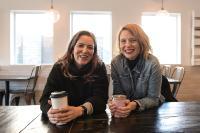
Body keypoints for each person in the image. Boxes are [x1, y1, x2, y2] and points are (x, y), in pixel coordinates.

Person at [40, 30, 109, 124]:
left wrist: (80, 110)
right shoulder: (58, 67)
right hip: (62, 121)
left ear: (94, 52)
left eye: (90, 47)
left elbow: (101, 99)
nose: (85, 51)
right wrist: (50, 112)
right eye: (80, 45)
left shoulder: (99, 67)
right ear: (72, 48)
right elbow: (44, 99)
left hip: (91, 121)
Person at [108, 24, 163, 118]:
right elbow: (118, 93)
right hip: (126, 114)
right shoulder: (115, 62)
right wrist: (114, 103)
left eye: (133, 40)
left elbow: (153, 99)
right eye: (123, 41)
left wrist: (134, 105)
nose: (127, 45)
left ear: (141, 42)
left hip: (150, 113)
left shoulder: (152, 63)